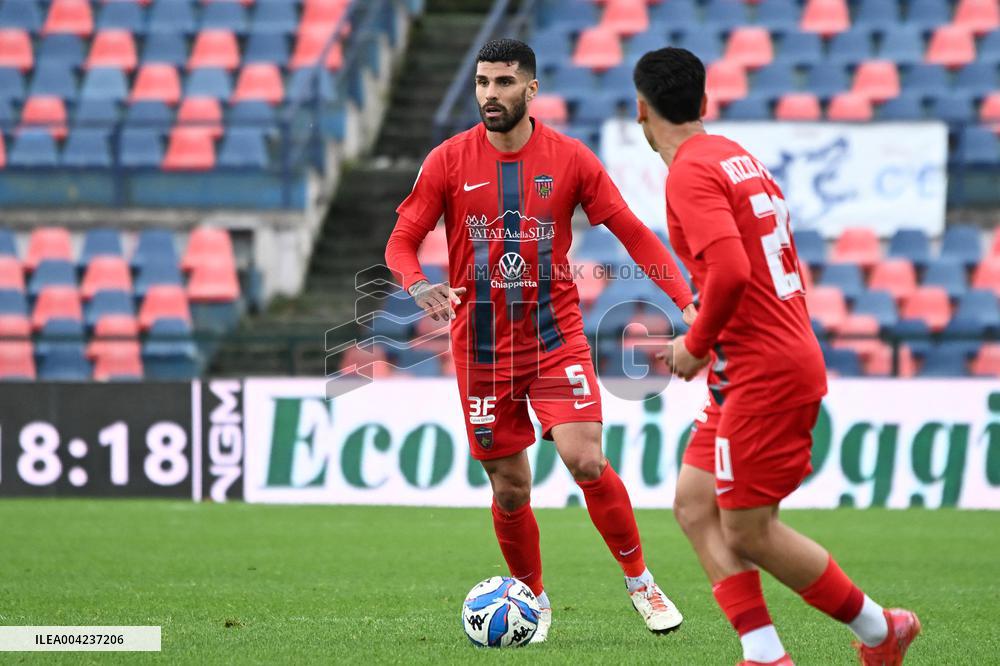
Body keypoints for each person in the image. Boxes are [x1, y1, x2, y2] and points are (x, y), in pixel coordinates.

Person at [386, 38, 695, 643]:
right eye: (482, 82)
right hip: (481, 352)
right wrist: (417, 284)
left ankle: (641, 583)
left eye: (503, 83)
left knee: (586, 459)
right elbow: (401, 241)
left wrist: (685, 300)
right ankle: (531, 598)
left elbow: (632, 232)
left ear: (531, 89)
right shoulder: (447, 160)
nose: (490, 94)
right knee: (510, 490)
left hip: (555, 340)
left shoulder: (571, 158)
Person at [632, 47, 921, 666]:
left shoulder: (689, 172)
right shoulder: (735, 157)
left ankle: (881, 629)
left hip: (762, 369)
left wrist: (694, 345)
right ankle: (764, 653)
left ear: (641, 111)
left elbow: (733, 271)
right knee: (695, 503)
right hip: (755, 362)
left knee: (748, 529)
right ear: (703, 102)